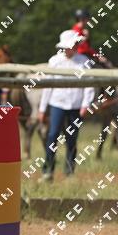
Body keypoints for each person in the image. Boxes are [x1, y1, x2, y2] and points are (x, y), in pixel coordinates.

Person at [38, 30, 95, 182]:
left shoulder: (83, 61)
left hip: (75, 106)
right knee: (52, 136)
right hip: (57, 103)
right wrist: (42, 109)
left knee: (71, 139)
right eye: (73, 44)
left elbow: (89, 84)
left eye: (77, 44)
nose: (76, 47)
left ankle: (69, 172)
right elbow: (47, 86)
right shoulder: (54, 61)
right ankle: (47, 171)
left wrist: (85, 104)